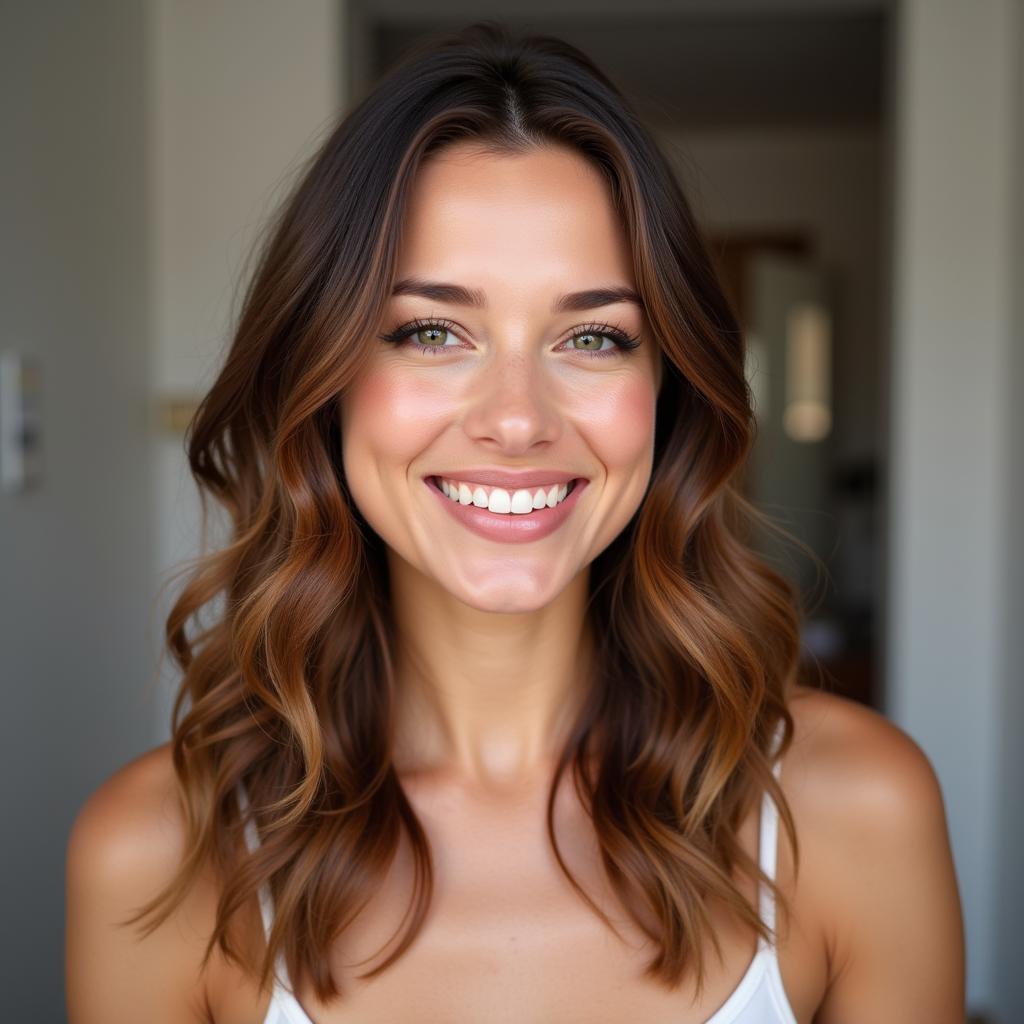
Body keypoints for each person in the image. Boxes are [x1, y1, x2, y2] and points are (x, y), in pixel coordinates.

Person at [66, 21, 964, 1023]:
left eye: (591, 336)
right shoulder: (154, 857)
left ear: (667, 392)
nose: (517, 419)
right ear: (319, 383)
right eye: (432, 332)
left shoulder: (855, 813)